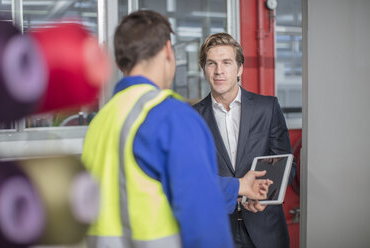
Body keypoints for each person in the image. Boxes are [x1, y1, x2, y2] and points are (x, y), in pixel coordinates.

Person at [82, 11, 272, 248]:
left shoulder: (100, 120)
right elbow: (201, 210)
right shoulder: (170, 116)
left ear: (120, 62)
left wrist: (240, 186)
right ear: (168, 52)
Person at [193, 33, 296, 248]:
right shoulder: (191, 117)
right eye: (211, 63)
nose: (219, 71)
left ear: (239, 69)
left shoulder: (267, 108)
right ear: (204, 70)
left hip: (265, 228)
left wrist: (264, 197)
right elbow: (193, 176)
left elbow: (287, 164)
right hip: (216, 230)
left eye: (226, 63)